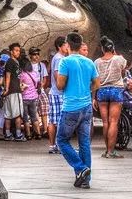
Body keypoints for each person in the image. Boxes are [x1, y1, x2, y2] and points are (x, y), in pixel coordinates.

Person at [56, 32, 98, 189]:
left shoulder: (65, 62)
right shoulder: (89, 62)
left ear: (67, 45)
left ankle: (81, 168)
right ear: (81, 45)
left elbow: (60, 85)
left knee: (61, 140)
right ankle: (85, 180)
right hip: (86, 106)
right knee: (84, 142)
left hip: (71, 107)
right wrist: (86, 90)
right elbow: (97, 84)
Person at [93, 37, 127, 158]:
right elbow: (124, 70)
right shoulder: (119, 59)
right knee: (114, 122)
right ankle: (111, 151)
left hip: (101, 91)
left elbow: (95, 80)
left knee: (106, 122)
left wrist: (94, 97)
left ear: (102, 49)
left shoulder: (96, 62)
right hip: (116, 90)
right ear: (113, 48)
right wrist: (115, 54)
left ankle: (107, 150)